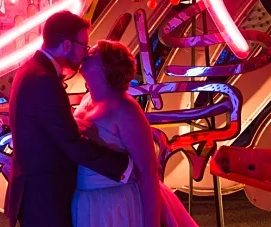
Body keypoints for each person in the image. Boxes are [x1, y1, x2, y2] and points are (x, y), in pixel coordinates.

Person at [5, 12, 133, 227]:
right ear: (66, 45)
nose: (85, 54)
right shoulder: (44, 79)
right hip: (45, 195)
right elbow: (70, 142)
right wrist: (125, 165)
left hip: (37, 190)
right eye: (83, 45)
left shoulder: (31, 70)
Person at [73, 40, 199, 227]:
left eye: (93, 53)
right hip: (87, 202)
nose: (86, 54)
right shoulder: (86, 100)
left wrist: (151, 223)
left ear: (107, 66)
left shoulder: (125, 108)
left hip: (117, 204)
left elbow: (148, 171)